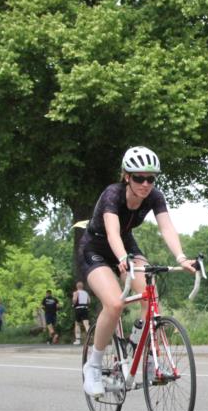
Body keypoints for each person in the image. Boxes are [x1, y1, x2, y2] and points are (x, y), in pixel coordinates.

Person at [78, 146, 197, 396]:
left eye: (150, 179)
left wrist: (182, 258)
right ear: (126, 177)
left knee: (151, 298)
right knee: (114, 304)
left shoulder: (155, 196)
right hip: (96, 248)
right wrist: (122, 258)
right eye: (139, 178)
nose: (145, 184)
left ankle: (147, 356)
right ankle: (94, 366)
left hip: (127, 246)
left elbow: (167, 228)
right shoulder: (112, 194)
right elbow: (112, 232)